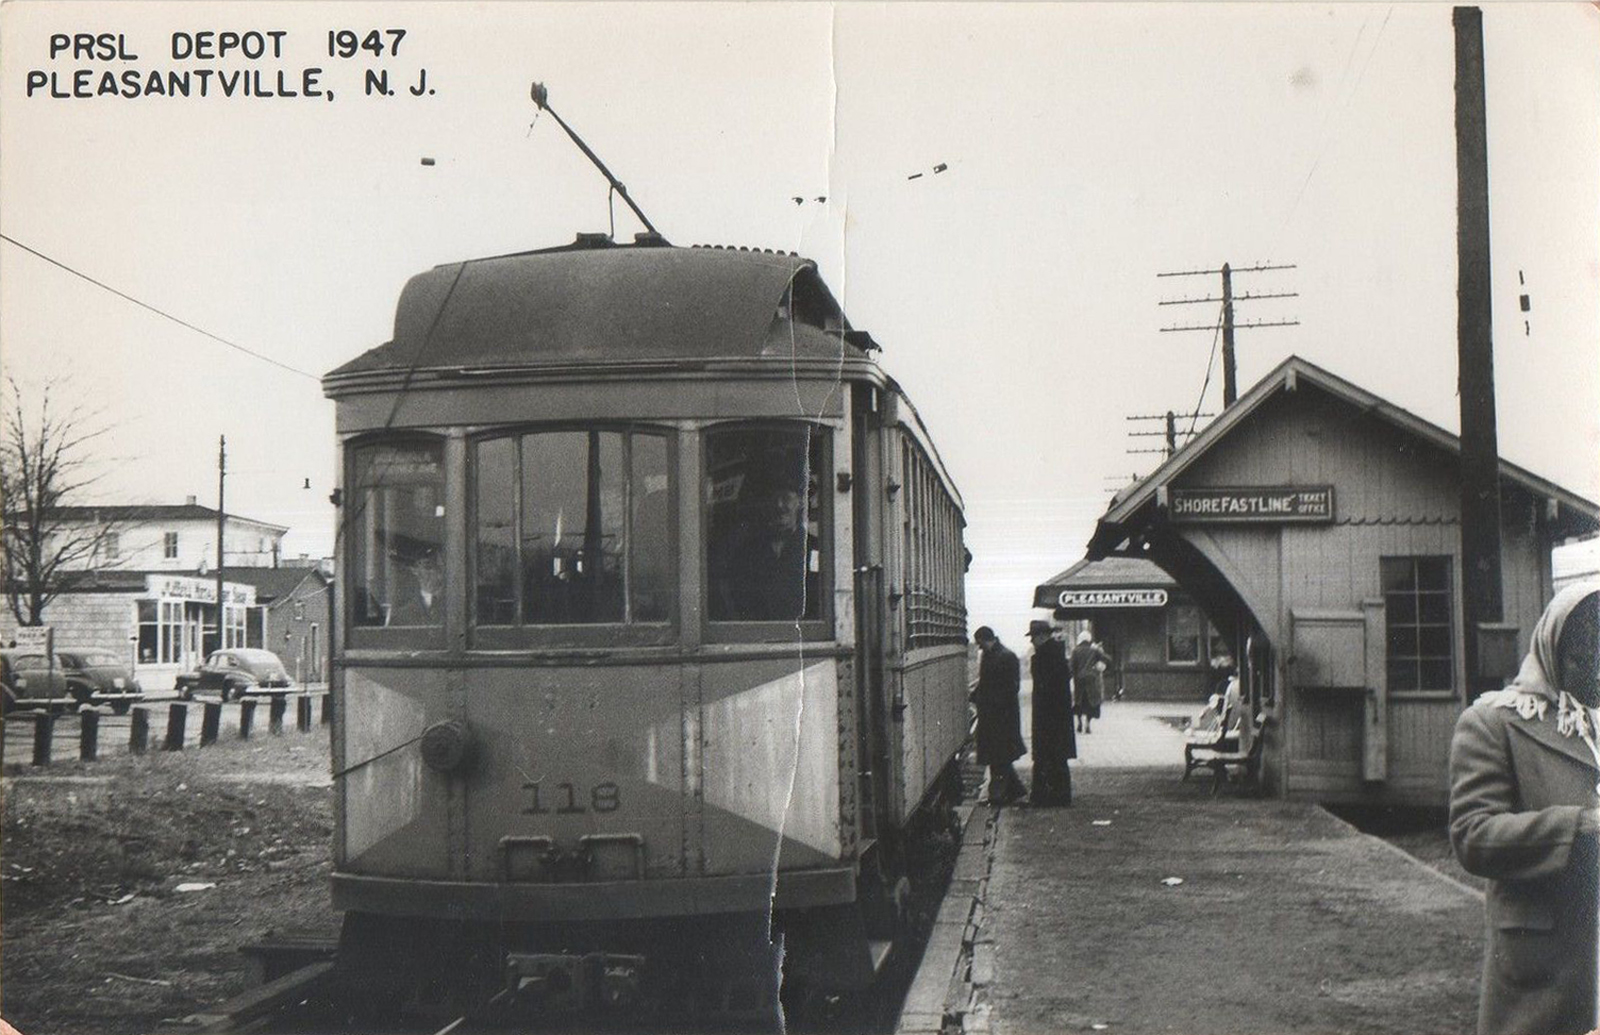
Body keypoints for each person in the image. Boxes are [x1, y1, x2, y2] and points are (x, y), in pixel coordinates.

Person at [1449, 582, 1600, 1035]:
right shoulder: (1495, 723)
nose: (1596, 663)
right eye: (1583, 648)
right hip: (1549, 966)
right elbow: (1473, 836)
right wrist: (1581, 827)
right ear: (1552, 644)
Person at [715, 479, 818, 621]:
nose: (779, 505)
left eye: (786, 498)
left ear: (800, 502)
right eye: (773, 499)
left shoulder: (815, 548)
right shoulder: (747, 551)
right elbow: (734, 596)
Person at [972, 626, 1028, 806]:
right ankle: (1016, 791)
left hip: (1003, 716)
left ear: (987, 639)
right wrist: (975, 695)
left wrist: (989, 699)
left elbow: (1012, 687)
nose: (980, 648)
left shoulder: (1007, 657)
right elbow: (986, 682)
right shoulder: (993, 655)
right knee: (999, 756)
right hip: (992, 715)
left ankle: (996, 796)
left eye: (980, 644)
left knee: (999, 757)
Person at [1026, 620, 1076, 806]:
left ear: (1042, 636)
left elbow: (1044, 688)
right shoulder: (1057, 655)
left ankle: (1043, 796)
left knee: (1045, 757)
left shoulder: (1042, 658)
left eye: (1033, 637)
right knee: (1057, 758)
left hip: (1048, 716)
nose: (1031, 641)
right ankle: (1058, 795)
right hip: (1057, 716)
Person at [385, 547, 444, 626]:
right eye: (428, 567)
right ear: (415, 571)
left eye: (440, 567)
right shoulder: (401, 615)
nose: (437, 573)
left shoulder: (457, 606)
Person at [1070, 630, 1111, 734]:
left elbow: (1071, 666)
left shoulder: (1075, 650)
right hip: (1092, 680)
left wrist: (1072, 676)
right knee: (1090, 703)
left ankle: (1079, 723)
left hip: (1079, 680)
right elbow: (1107, 659)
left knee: (1079, 702)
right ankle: (1088, 724)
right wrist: (1099, 651)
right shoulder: (1094, 650)